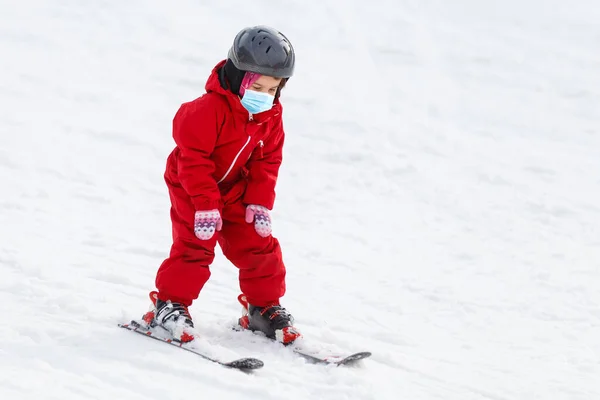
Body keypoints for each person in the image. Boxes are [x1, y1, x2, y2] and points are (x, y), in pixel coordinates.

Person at [141, 25, 300, 345]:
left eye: (272, 89)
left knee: (258, 243)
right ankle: (168, 304)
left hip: (236, 188)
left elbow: (268, 160)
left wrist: (258, 202)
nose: (264, 96)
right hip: (192, 186)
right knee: (195, 246)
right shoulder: (204, 111)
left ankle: (263, 308)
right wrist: (205, 205)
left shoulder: (270, 117)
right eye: (258, 87)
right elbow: (193, 161)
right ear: (238, 76)